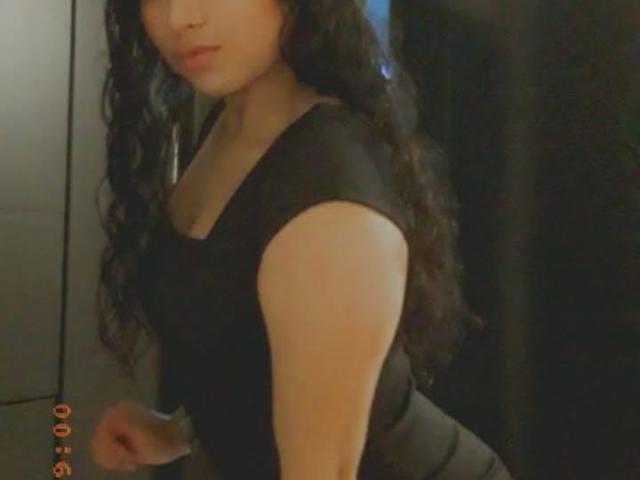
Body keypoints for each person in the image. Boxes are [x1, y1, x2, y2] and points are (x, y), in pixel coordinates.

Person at [90, 1, 514, 479]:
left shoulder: (327, 200)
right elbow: (249, 346)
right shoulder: (234, 125)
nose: (179, 17)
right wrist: (179, 432)